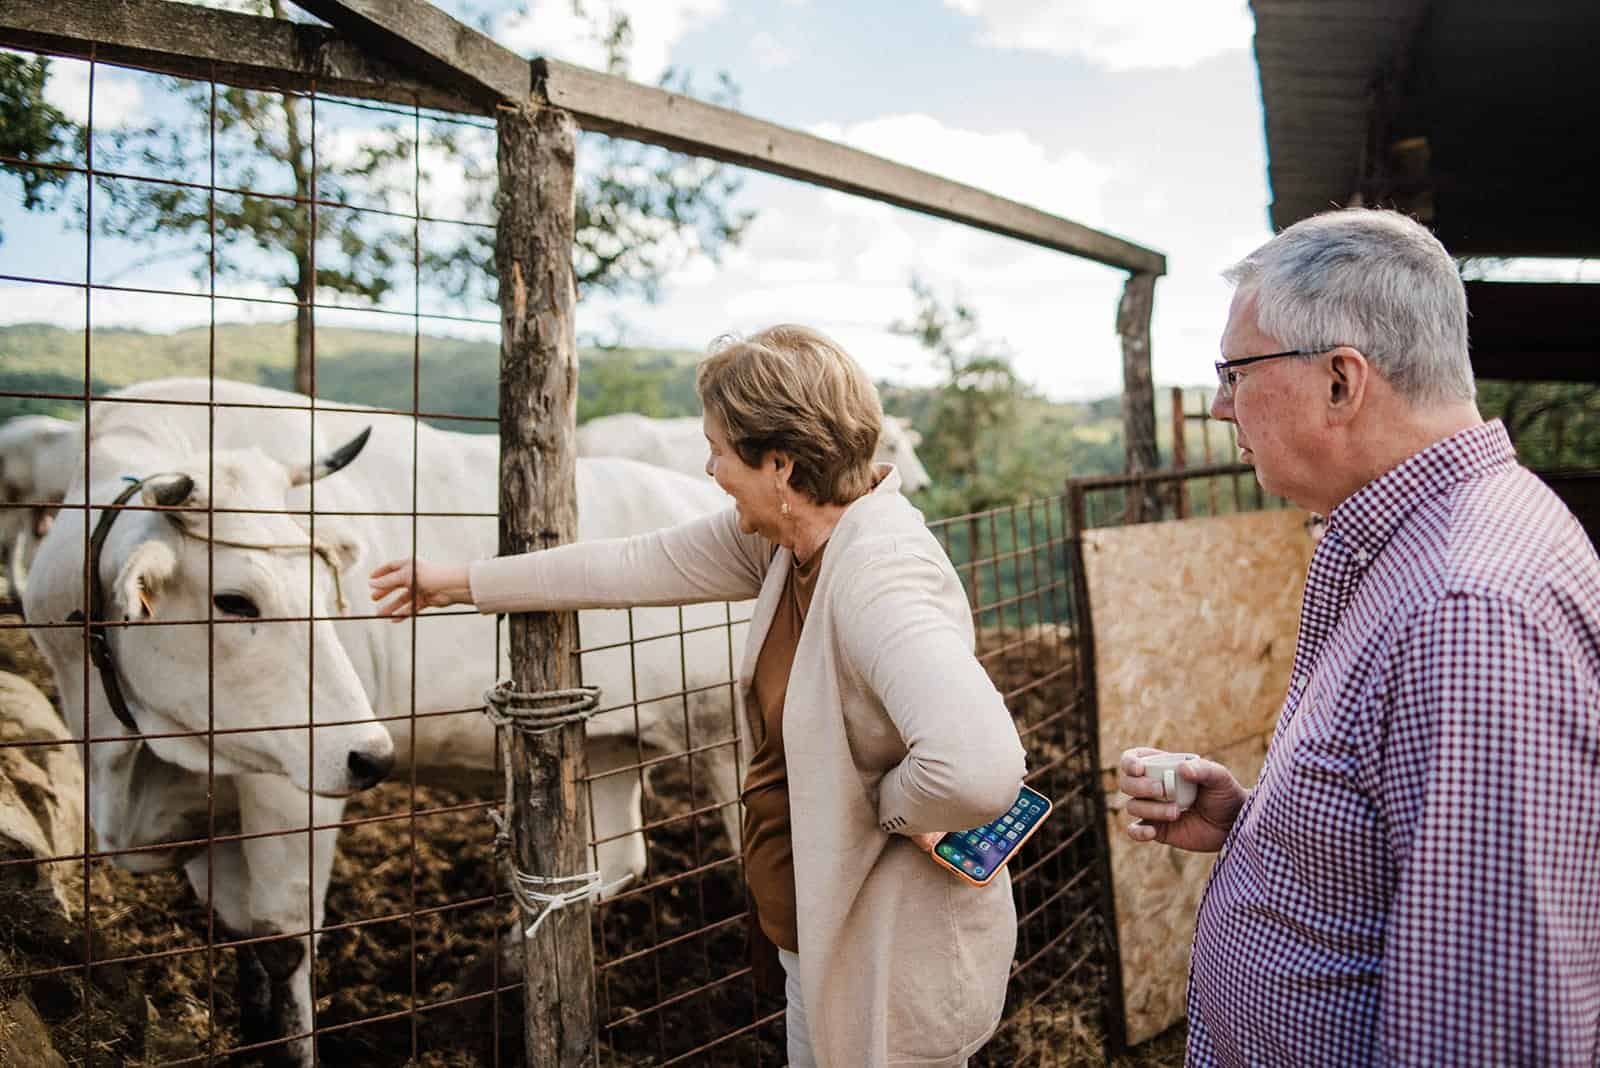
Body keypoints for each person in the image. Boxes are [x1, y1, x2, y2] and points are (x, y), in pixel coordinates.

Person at [369, 324, 1026, 1068]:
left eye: (718, 449)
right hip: (823, 935)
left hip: (890, 957)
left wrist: (878, 808)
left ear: (780, 463)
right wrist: (461, 582)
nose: (708, 466)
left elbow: (976, 767)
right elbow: (634, 565)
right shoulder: (791, 541)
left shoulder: (880, 577)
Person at [1119, 208, 1600, 1065]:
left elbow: (1486, 1026)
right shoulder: (1423, 548)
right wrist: (1259, 823)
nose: (1224, 405)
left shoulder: (1465, 611)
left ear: (1342, 381)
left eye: (1236, 372)